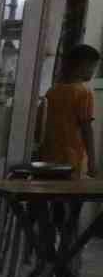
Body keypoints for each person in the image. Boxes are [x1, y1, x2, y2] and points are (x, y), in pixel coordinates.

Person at [37, 43, 99, 177]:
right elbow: (86, 129)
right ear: (83, 66)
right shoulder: (84, 93)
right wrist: (92, 160)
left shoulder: (52, 91)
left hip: (49, 155)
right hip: (72, 158)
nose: (93, 72)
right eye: (93, 67)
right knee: (70, 189)